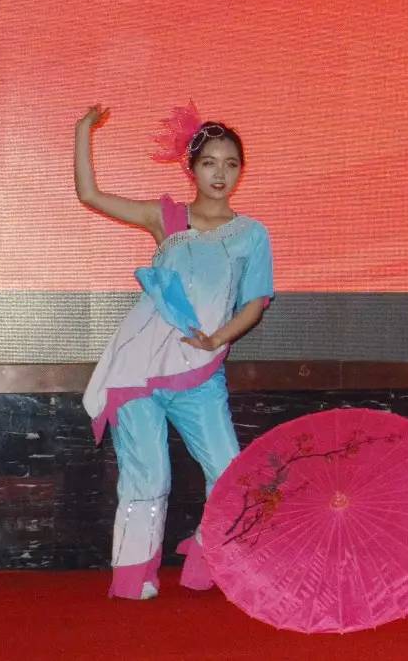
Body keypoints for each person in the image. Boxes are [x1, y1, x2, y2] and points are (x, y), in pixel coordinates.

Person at [76, 102, 272, 599]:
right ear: (192, 168)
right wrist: (83, 131)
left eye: (231, 164)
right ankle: (133, 575)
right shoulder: (166, 218)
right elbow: (90, 195)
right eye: (210, 163)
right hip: (138, 370)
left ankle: (209, 553)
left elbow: (255, 302)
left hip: (200, 372)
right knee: (148, 476)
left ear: (241, 170)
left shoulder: (251, 234)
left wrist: (217, 339)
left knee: (230, 473)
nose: (220, 174)